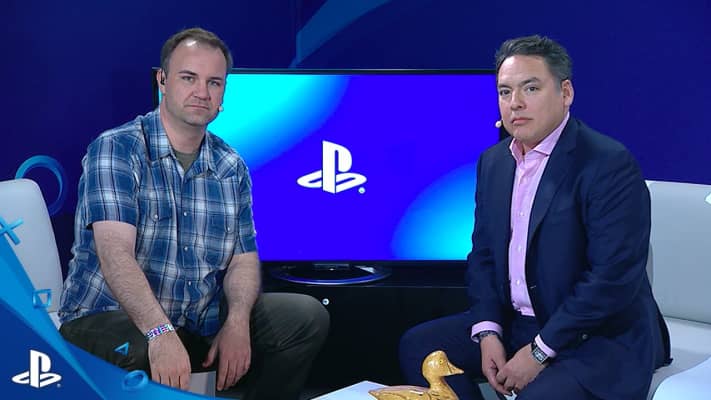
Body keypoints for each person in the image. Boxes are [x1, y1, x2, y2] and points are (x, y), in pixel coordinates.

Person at [58, 27, 329, 400]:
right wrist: (159, 332)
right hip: (106, 321)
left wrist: (236, 323)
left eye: (214, 82)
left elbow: (243, 258)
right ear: (163, 81)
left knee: (304, 317)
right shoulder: (117, 148)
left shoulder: (231, 165)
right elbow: (115, 253)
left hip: (196, 322)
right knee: (140, 349)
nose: (202, 92)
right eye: (189, 78)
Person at [399, 35, 671, 400]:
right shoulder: (494, 162)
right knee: (421, 347)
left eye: (531, 88)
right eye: (505, 91)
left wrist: (540, 352)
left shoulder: (608, 164)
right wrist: (488, 332)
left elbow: (611, 279)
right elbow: (483, 256)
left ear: (565, 93)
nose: (515, 103)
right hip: (520, 323)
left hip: (596, 337)